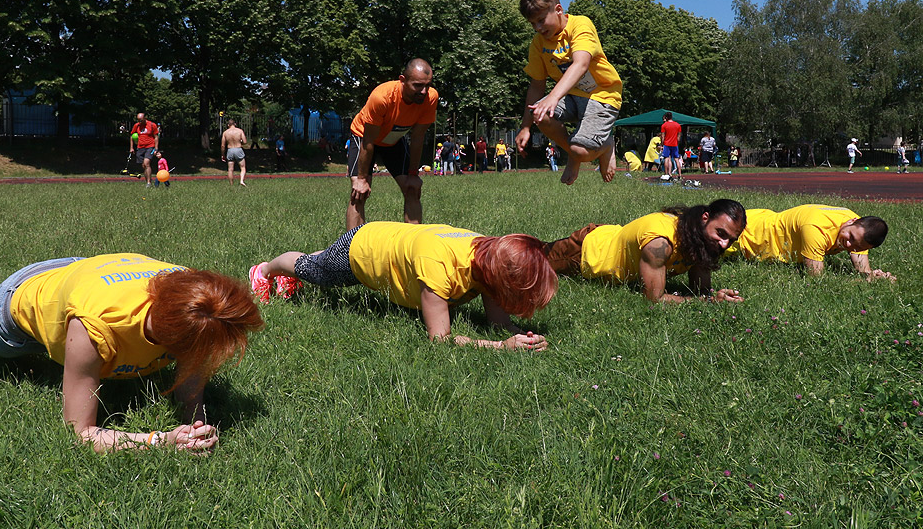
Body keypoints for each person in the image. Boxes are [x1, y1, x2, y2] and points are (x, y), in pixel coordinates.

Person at [0, 253, 264, 454]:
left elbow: (193, 368)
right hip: (24, 300)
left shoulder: (196, 298)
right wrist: (161, 440)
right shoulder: (95, 327)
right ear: (167, 336)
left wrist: (195, 422)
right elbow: (81, 433)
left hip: (86, 274)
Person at [249, 222, 556, 350]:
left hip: (391, 239)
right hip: (366, 251)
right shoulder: (439, 268)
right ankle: (265, 270)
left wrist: (518, 337)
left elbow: (498, 322)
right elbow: (440, 339)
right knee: (320, 273)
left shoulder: (488, 255)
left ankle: (305, 265)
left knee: (326, 259)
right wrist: (500, 347)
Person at [516, 0, 622, 184]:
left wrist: (553, 97)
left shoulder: (580, 25)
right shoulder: (538, 43)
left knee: (580, 151)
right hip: (572, 96)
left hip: (602, 95)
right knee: (538, 112)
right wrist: (526, 127)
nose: (538, 28)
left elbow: (581, 64)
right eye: (532, 24)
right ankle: (574, 154)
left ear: (558, 10)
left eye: (541, 20)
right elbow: (537, 85)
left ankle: (605, 145)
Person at [542, 199, 747, 303]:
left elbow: (701, 291)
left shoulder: (702, 239)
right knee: (528, 260)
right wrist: (705, 302)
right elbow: (654, 300)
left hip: (614, 237)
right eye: (721, 233)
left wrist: (713, 298)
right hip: (585, 251)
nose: (724, 244)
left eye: (731, 239)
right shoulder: (659, 244)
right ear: (705, 218)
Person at [346, 59, 438, 230]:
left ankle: (413, 245)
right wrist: (361, 179)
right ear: (402, 80)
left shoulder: (430, 98)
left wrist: (413, 174)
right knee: (359, 193)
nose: (424, 91)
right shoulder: (382, 97)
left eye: (428, 85)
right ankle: (349, 250)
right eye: (418, 85)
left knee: (412, 189)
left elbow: (418, 137)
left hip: (393, 138)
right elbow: (368, 141)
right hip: (365, 136)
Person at [728, 204, 893, 281]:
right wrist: (855, 281)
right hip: (747, 235)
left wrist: (871, 275)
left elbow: (862, 267)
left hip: (761, 220)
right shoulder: (816, 228)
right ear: (852, 221)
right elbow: (816, 278)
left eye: (856, 246)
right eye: (850, 237)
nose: (849, 246)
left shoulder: (858, 228)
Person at [129, 112, 160, 188]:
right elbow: (132, 136)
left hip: (150, 146)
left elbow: (156, 137)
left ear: (145, 118)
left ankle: (149, 183)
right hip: (140, 147)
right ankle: (148, 181)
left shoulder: (152, 125)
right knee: (143, 165)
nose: (139, 122)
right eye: (138, 120)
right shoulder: (136, 126)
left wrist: (156, 149)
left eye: (141, 120)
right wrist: (131, 147)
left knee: (146, 163)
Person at [220, 118, 248, 186]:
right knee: (243, 167)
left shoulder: (225, 133)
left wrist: (223, 154)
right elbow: (245, 142)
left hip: (230, 150)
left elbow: (223, 146)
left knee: (230, 169)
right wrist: (240, 142)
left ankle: (231, 184)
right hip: (238, 149)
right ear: (235, 124)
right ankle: (241, 180)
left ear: (228, 125)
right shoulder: (240, 131)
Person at [659, 113, 683, 179]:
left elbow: (663, 136)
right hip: (674, 144)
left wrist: (662, 144)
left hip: (667, 144)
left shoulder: (664, 125)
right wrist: (677, 142)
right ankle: (680, 174)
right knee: (676, 159)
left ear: (666, 117)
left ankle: (666, 174)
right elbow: (679, 136)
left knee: (666, 158)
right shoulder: (677, 125)